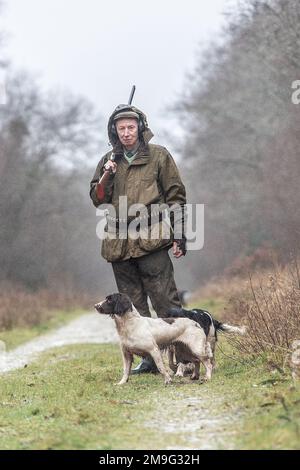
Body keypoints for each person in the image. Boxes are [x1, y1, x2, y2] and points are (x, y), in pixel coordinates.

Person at [90, 104, 187, 373]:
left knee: (165, 301)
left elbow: (176, 197)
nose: (126, 132)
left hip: (152, 239)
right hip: (118, 244)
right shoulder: (108, 160)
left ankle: (184, 358)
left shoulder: (159, 156)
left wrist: (179, 234)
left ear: (140, 128)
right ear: (114, 132)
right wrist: (108, 172)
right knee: (132, 306)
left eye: (131, 127)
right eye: (121, 128)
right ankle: (149, 360)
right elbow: (97, 199)